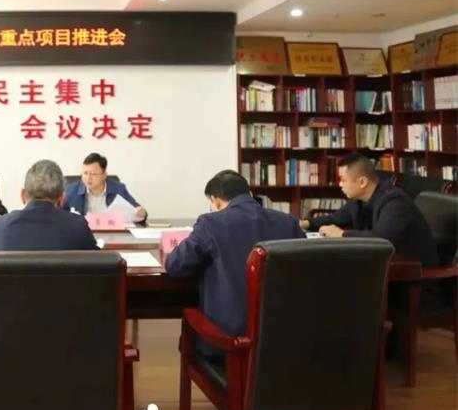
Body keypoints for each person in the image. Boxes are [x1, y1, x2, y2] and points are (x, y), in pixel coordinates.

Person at [164, 170, 305, 356]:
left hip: (229, 345)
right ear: (250, 194)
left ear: (215, 201)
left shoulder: (210, 223)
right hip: (283, 343)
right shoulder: (288, 222)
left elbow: (175, 266)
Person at [300, 153, 438, 268]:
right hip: (383, 265)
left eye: (343, 180)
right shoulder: (358, 200)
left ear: (362, 182)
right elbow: (335, 219)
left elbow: (382, 239)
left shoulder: (395, 201)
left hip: (413, 273)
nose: (340, 184)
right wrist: (305, 223)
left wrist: (342, 234)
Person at [0, 159, 99, 251]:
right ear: (62, 198)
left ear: (22, 195)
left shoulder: (0, 226)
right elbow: (97, 263)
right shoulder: (77, 225)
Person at [62, 152, 147, 222]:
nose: (88, 178)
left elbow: (137, 210)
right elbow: (59, 215)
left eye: (93, 174)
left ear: (104, 175)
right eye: (85, 173)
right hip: (83, 234)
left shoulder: (119, 189)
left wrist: (142, 212)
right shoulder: (71, 190)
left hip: (112, 233)